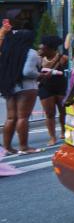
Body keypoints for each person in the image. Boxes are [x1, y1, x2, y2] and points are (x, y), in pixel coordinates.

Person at [0, 19, 42, 155]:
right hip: (27, 86)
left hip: (10, 86)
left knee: (11, 117)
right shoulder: (31, 53)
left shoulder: (8, 52)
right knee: (23, 117)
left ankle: (7, 147)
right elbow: (28, 72)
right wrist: (39, 74)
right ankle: (24, 147)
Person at [38, 35, 68, 146]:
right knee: (49, 114)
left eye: (42, 48)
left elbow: (69, 72)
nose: (40, 50)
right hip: (45, 87)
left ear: (51, 49)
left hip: (61, 87)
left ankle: (64, 132)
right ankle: (52, 137)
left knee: (63, 112)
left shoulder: (63, 58)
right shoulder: (38, 59)